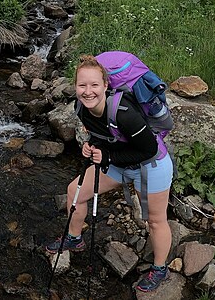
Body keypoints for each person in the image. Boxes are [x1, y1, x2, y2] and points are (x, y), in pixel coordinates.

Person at [45, 54, 174, 292]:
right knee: (75, 191)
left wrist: (108, 157)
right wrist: (91, 145)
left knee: (155, 221)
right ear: (75, 87)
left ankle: (159, 269)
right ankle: (75, 238)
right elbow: (102, 135)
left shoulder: (125, 113)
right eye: (82, 85)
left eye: (94, 85)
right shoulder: (81, 109)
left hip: (152, 165)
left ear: (105, 85)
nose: (88, 91)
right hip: (119, 164)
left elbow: (148, 149)